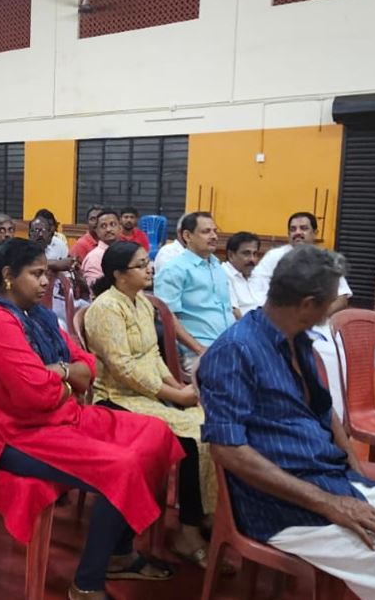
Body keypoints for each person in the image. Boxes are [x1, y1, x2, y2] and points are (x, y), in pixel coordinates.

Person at [0, 238, 184, 598]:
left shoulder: (37, 315)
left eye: (46, 273)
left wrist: (59, 373)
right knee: (122, 465)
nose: (46, 282)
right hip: (18, 437)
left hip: (63, 416)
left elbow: (87, 364)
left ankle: (119, 554)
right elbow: (36, 395)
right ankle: (86, 585)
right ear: (8, 275)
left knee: (155, 432)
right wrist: (68, 377)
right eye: (36, 274)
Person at [199, 246, 375, 600]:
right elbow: (228, 451)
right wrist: (330, 504)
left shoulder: (297, 339)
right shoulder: (236, 351)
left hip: (331, 481)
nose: (334, 307)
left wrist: (356, 476)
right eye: (331, 301)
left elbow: (324, 410)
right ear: (308, 304)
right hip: (281, 507)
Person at [85, 241, 215, 567]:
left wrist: (177, 386)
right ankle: (187, 532)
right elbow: (123, 368)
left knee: (210, 425)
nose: (150, 269)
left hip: (150, 392)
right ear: (119, 274)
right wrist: (174, 396)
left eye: (148, 262)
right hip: (116, 397)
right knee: (191, 437)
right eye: (141, 265)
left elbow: (153, 355)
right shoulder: (105, 309)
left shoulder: (142, 302)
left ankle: (203, 514)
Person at [250, 211, 353, 418]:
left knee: (365, 352)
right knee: (327, 356)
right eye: (293, 229)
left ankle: (348, 410)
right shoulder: (275, 257)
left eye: (304, 228)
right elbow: (257, 292)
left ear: (315, 232)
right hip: (286, 324)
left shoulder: (326, 259)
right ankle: (327, 415)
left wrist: (316, 315)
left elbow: (342, 297)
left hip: (321, 322)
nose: (297, 233)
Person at [154, 212, 234, 378]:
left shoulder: (216, 266)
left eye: (215, 231)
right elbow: (168, 318)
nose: (214, 236)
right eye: (206, 232)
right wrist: (199, 349)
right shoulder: (174, 269)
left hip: (228, 346)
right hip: (198, 351)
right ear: (187, 236)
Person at [223, 231, 261, 319]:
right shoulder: (223, 274)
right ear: (231, 255)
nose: (252, 259)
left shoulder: (257, 274)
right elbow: (235, 313)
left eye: (255, 254)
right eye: (246, 253)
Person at [82, 209, 122, 288]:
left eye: (113, 224)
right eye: (103, 226)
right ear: (97, 231)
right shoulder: (94, 258)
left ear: (120, 227)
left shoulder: (125, 252)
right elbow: (96, 290)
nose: (108, 229)